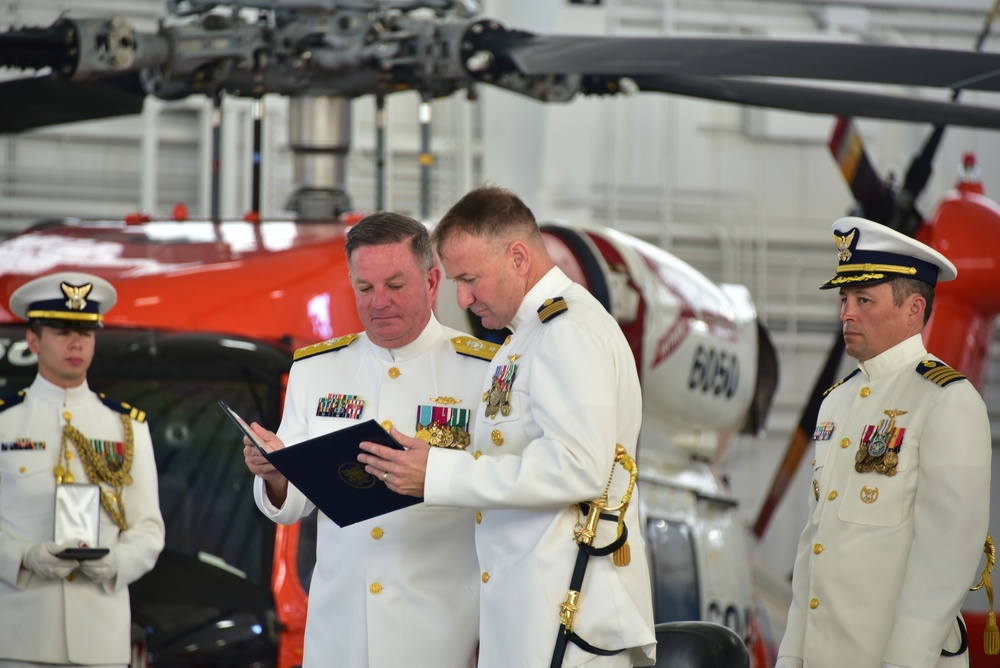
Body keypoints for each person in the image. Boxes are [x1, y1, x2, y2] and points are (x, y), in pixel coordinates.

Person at [359, 186, 656, 667]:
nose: (463, 297)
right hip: (533, 621)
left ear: (518, 257)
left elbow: (578, 467)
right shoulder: (528, 336)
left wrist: (439, 473)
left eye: (471, 278)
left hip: (568, 628)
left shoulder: (567, 332)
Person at [242, 212, 496, 668]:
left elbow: (503, 489)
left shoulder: (482, 373)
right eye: (365, 288)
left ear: (433, 280)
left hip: (439, 636)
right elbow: (294, 501)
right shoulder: (318, 369)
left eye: (395, 286)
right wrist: (277, 475)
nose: (379, 302)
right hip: (338, 634)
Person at [776, 217, 992, 668]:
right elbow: (813, 544)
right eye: (843, 299)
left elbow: (946, 557)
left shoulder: (946, 400)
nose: (845, 313)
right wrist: (791, 656)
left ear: (914, 309)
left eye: (863, 299)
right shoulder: (836, 403)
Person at [0, 271, 165, 667]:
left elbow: (148, 528)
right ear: (33, 341)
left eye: (86, 332)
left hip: (101, 640)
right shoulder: (6, 422)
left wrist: (116, 565)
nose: (76, 342)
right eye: (61, 331)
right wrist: (23, 558)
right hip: (21, 637)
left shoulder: (127, 425)